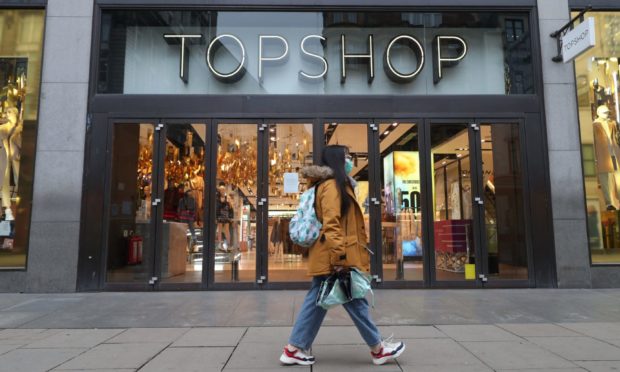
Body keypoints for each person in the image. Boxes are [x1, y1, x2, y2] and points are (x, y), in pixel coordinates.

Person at [280, 145, 405, 366]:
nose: (350, 161)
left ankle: (294, 348)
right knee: (354, 299)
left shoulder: (335, 185)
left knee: (319, 302)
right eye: (347, 157)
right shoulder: (331, 187)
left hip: (329, 254)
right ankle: (378, 349)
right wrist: (339, 259)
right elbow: (332, 224)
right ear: (338, 161)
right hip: (335, 256)